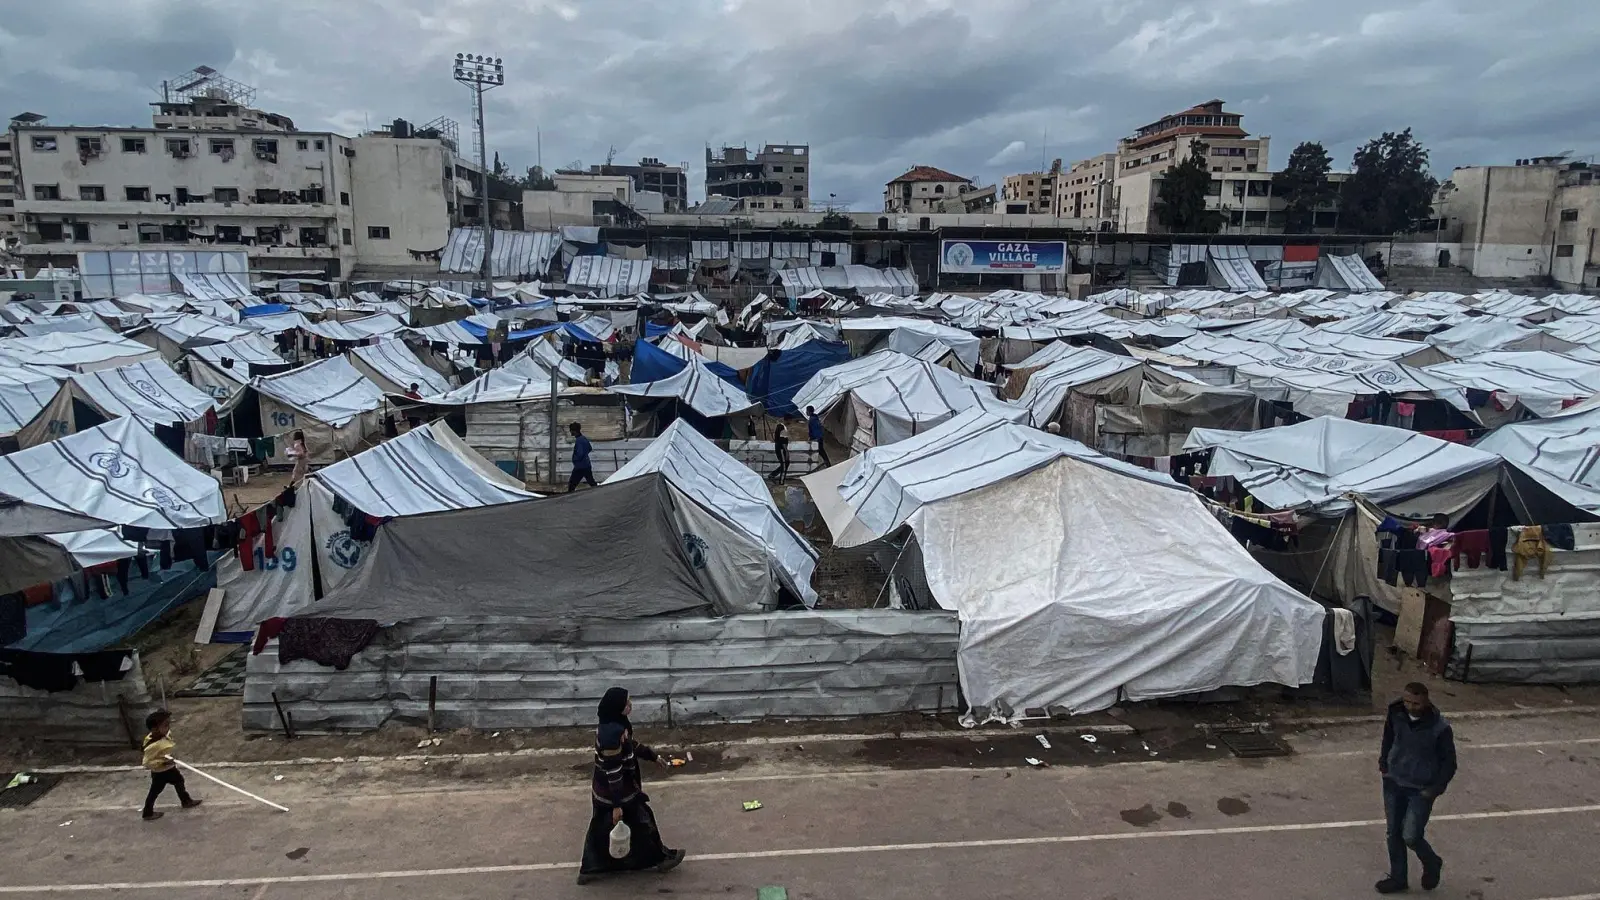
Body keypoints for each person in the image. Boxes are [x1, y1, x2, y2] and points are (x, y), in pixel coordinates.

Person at [577, 688, 684, 885]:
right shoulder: (611, 736)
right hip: (616, 793)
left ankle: (590, 868)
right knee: (642, 820)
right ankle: (661, 859)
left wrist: (653, 756)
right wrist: (617, 805)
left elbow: (631, 746)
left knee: (602, 829)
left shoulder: (615, 726)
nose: (630, 705)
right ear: (618, 708)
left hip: (606, 792)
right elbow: (614, 772)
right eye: (627, 703)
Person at [1376, 682, 1456, 894]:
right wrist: (1384, 763)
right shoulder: (1396, 713)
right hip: (1394, 781)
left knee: (1410, 835)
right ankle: (1398, 877)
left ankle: (1432, 862)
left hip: (1420, 788)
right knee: (1393, 832)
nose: (1410, 707)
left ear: (1426, 701)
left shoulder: (1439, 728)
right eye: (1407, 701)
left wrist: (1433, 789)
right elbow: (1388, 737)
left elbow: (1449, 763)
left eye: (1416, 703)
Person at [140, 709, 200, 821]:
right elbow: (146, 763)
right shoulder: (153, 745)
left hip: (170, 768)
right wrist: (163, 762)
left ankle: (186, 801)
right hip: (161, 772)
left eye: (168, 725)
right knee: (155, 792)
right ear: (154, 729)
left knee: (179, 781)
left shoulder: (164, 735)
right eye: (165, 726)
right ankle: (147, 813)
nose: (168, 729)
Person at [568, 421, 597, 492]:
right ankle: (599, 493)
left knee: (572, 485)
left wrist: (575, 459)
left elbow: (579, 454)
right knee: (591, 482)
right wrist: (585, 455)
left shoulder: (579, 441)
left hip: (580, 467)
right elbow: (590, 448)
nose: (570, 432)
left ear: (574, 431)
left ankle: (568, 499)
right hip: (586, 465)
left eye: (571, 430)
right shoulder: (583, 438)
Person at [770, 418, 790, 483]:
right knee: (784, 465)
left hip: (779, 447)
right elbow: (783, 441)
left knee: (785, 464)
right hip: (781, 448)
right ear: (787, 420)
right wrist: (786, 451)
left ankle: (772, 475)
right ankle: (781, 483)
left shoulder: (780, 426)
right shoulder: (783, 428)